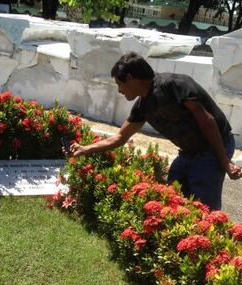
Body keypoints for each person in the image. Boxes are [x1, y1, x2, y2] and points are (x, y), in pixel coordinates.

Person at [69, 52, 242, 210]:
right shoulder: (142, 106)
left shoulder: (174, 85)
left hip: (214, 146)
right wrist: (85, 149)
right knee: (174, 188)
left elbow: (208, 121)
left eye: (119, 84)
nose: (119, 91)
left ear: (130, 78)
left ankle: (208, 238)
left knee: (205, 206)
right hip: (190, 152)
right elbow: (121, 137)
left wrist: (225, 161)